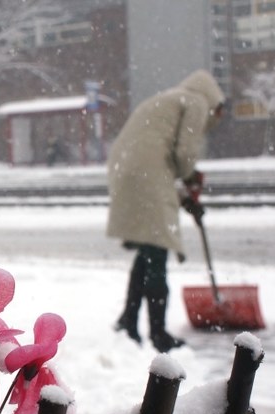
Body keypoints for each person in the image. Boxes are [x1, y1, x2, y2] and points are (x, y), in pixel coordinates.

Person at [106, 69, 225, 353]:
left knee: (149, 247)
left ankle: (128, 320)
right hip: (148, 171)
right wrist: (190, 177)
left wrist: (186, 188)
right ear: (216, 105)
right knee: (157, 248)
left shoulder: (170, 99)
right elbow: (183, 154)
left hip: (127, 168)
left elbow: (164, 155)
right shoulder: (197, 102)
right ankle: (158, 333)